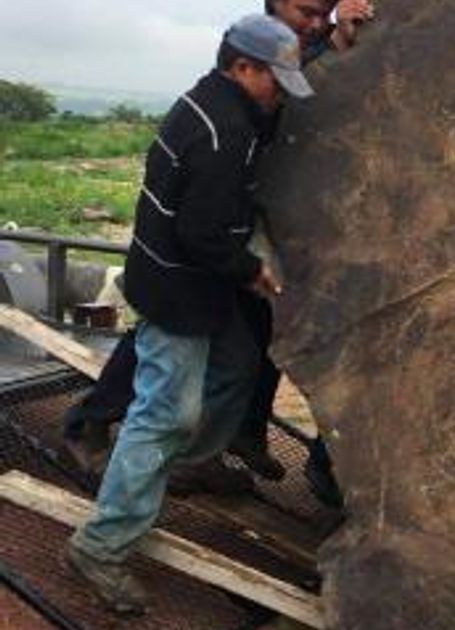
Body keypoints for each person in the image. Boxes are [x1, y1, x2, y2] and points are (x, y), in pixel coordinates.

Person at [62, 0, 375, 495]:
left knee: (245, 344)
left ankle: (225, 439)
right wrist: (246, 266)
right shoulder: (229, 117)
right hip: (200, 255)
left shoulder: (242, 84)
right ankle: (111, 461)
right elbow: (202, 226)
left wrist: (336, 41)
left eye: (325, 13)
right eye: (307, 11)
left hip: (231, 231)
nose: (316, 23)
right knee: (170, 373)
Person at [66, 15, 314, 615]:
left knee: (238, 364)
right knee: (163, 416)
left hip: (176, 277)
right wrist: (253, 271)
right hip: (180, 289)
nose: (279, 95)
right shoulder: (223, 134)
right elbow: (202, 236)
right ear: (242, 67)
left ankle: (195, 463)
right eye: (275, 81)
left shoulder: (210, 101)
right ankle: (102, 545)